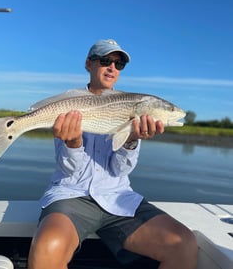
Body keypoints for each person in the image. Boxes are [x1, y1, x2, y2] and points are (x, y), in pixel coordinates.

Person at [28, 39, 198, 269]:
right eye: (106, 60)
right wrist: (73, 143)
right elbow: (70, 170)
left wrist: (131, 139)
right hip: (71, 195)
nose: (112, 68)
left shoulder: (130, 105)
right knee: (47, 248)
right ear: (88, 64)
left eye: (119, 64)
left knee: (184, 243)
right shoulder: (69, 102)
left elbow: (120, 170)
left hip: (118, 198)